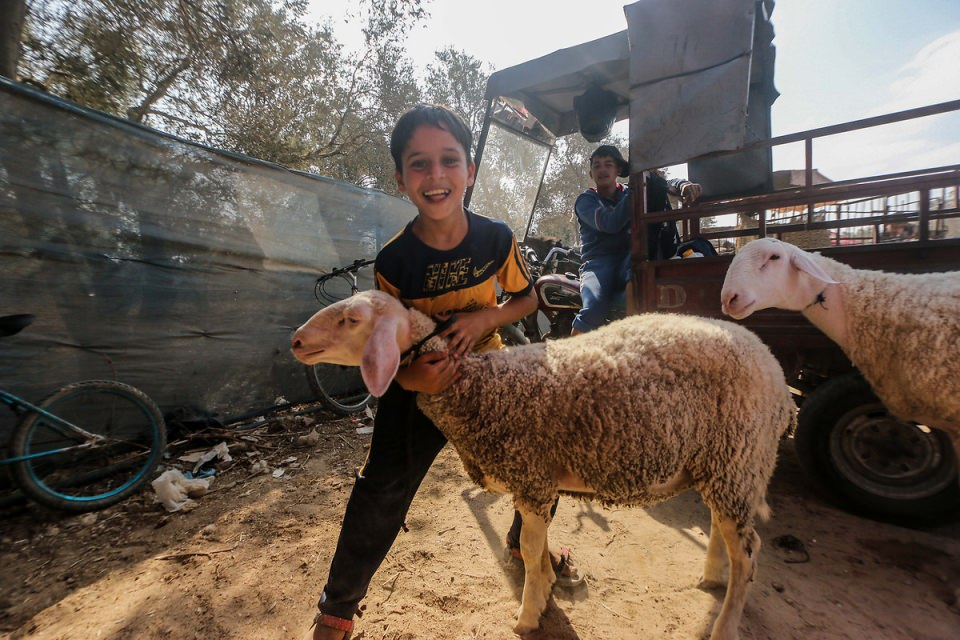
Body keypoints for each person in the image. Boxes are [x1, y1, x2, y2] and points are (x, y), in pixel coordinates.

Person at [305, 104, 580, 640]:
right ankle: (337, 609)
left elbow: (525, 299)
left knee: (537, 457)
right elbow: (388, 340)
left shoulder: (496, 239)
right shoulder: (394, 261)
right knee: (381, 487)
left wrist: (486, 317)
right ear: (401, 177)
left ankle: (529, 546)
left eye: (449, 161)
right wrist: (412, 382)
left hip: (491, 373)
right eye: (419, 164)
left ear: (470, 170)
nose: (436, 177)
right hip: (422, 386)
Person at [571, 144, 701, 334]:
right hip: (599, 261)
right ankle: (567, 359)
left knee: (644, 293)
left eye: (608, 164)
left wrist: (682, 185)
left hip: (631, 256)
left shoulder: (629, 191)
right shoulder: (586, 201)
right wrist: (636, 190)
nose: (602, 169)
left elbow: (660, 184)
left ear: (618, 170)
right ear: (591, 174)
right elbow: (610, 223)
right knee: (594, 308)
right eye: (597, 165)